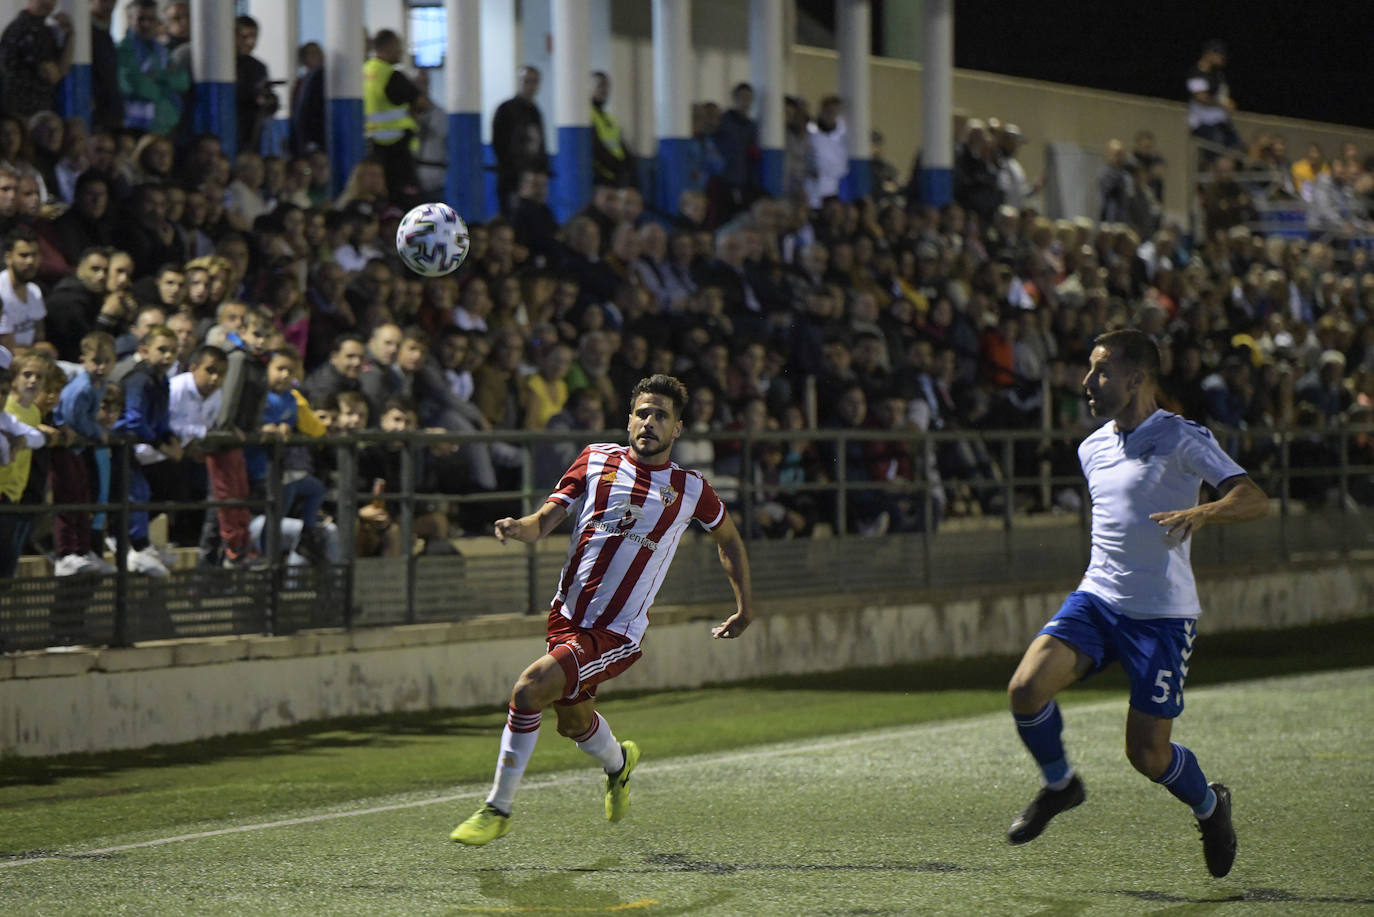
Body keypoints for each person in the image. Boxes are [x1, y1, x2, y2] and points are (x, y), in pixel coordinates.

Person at [1004, 329, 1269, 878]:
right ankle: (1061, 785)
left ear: (1137, 378)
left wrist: (1204, 512)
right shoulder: (1091, 447)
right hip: (1097, 600)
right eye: (1089, 369)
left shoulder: (1182, 436)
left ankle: (1210, 806)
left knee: (1147, 755)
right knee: (1025, 689)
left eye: (1100, 371)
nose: (1087, 382)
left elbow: (1253, 498)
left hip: (1161, 616)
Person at [451, 373, 754, 846]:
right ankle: (619, 763)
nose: (649, 422)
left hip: (616, 633)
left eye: (661, 416)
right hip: (566, 617)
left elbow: (729, 540)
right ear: (628, 419)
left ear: (677, 428)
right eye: (642, 413)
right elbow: (543, 522)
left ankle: (498, 808)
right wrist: (516, 526)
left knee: (530, 688)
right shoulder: (595, 459)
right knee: (573, 723)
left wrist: (744, 607)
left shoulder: (690, 489)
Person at [362, 29, 422, 204]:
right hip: (397, 148)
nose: (401, 51)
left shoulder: (364, 71)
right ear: (388, 46)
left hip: (371, 144)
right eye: (398, 46)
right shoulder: (391, 74)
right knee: (404, 199)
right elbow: (421, 103)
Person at [0, 0, 74, 120]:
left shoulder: (41, 29)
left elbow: (61, 70)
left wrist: (69, 35)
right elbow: (53, 75)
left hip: (28, 111)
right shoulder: (29, 29)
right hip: (25, 113)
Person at [491, 65, 548, 216]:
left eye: (534, 81)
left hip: (534, 180)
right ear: (519, 82)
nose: (530, 86)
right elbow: (500, 146)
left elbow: (540, 144)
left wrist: (541, 172)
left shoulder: (535, 111)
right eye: (526, 81)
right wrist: (518, 175)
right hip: (512, 181)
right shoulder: (506, 109)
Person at [1187, 40, 1241, 156]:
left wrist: (1227, 105)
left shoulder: (1218, 75)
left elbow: (1223, 95)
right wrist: (1223, 104)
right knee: (1215, 151)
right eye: (1219, 55)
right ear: (1209, 54)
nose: (1222, 58)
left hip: (1220, 122)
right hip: (1203, 123)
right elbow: (1201, 98)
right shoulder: (1196, 72)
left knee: (1237, 148)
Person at [590, 71, 632, 188]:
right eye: (600, 85)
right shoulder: (587, 116)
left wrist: (627, 167)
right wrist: (619, 167)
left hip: (617, 177)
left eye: (607, 86)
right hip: (601, 179)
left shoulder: (610, 118)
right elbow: (597, 148)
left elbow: (621, 145)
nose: (605, 90)